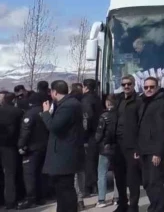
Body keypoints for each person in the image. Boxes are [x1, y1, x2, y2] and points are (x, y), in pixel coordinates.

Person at [40, 80, 85, 212]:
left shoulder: (68, 106)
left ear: (54, 92)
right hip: (64, 155)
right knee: (62, 190)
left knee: (65, 189)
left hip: (65, 156)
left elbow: (54, 127)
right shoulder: (66, 104)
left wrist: (46, 113)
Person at [136, 77, 164, 212]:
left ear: (157, 87)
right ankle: (153, 208)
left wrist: (158, 152)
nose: (148, 90)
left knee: (155, 183)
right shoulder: (144, 101)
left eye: (151, 87)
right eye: (146, 87)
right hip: (143, 149)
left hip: (154, 151)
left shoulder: (161, 102)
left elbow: (162, 129)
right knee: (147, 183)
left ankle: (158, 209)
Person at [0, 92, 24, 210]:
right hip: (9, 147)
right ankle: (10, 202)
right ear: (13, 101)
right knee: (9, 175)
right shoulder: (18, 112)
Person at [112, 75, 142, 212]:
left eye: (129, 84)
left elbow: (142, 125)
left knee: (132, 178)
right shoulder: (117, 99)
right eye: (123, 84)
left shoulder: (139, 100)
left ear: (134, 84)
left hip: (131, 144)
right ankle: (122, 204)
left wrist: (138, 147)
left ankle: (133, 206)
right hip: (116, 144)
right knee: (119, 176)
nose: (126, 86)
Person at [18, 92, 50, 209]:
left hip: (32, 148)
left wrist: (21, 145)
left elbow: (25, 131)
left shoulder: (30, 114)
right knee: (41, 173)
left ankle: (31, 198)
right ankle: (41, 197)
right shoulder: (46, 112)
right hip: (44, 147)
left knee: (29, 174)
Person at [94, 94, 118, 208]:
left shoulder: (103, 116)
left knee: (102, 173)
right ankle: (117, 198)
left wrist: (96, 142)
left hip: (105, 149)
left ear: (108, 103)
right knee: (117, 174)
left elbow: (99, 135)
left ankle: (101, 199)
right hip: (118, 148)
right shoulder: (120, 115)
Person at [81, 79, 103, 196]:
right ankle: (94, 185)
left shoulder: (86, 100)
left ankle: (90, 186)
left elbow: (86, 118)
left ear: (86, 87)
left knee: (89, 161)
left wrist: (84, 136)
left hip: (90, 135)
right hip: (97, 133)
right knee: (94, 161)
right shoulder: (97, 98)